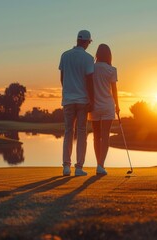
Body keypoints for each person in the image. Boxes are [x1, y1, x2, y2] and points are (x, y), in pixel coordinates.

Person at [59, 30, 95, 176]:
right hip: (82, 101)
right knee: (81, 133)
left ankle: (66, 167)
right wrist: (92, 100)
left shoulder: (64, 55)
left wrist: (68, 92)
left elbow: (62, 78)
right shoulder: (88, 58)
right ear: (86, 42)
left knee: (68, 132)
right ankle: (79, 168)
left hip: (68, 100)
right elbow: (89, 81)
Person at [89, 44, 119, 175]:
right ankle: (101, 165)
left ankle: (98, 164)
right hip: (107, 105)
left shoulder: (91, 68)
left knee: (97, 136)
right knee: (105, 136)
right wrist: (117, 106)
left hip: (94, 106)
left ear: (97, 54)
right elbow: (114, 90)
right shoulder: (112, 69)